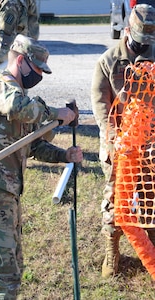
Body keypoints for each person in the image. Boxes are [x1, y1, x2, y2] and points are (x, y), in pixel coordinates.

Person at [0, 34, 83, 299]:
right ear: (21, 61)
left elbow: (32, 145)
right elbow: (16, 107)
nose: (39, 76)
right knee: (2, 278)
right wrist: (56, 114)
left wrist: (65, 154)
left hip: (7, 197)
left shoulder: (23, 99)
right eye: (37, 69)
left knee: (13, 272)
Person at [91, 3, 155, 279]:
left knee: (151, 197)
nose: (144, 48)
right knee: (116, 199)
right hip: (119, 144)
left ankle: (151, 246)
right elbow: (100, 104)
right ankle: (111, 250)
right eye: (139, 41)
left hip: (150, 143)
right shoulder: (108, 61)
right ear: (127, 30)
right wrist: (116, 139)